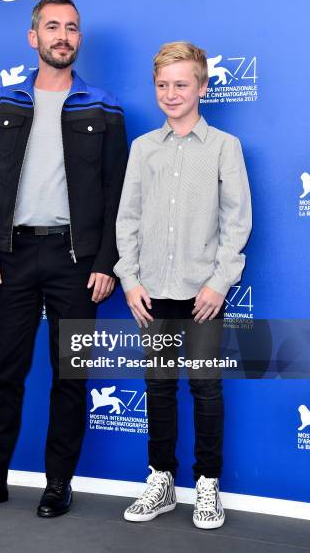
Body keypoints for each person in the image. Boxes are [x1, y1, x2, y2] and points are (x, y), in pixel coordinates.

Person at [0, 0, 128, 517]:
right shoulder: (1, 104)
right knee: (4, 372)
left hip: (77, 259)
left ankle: (57, 483)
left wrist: (104, 262)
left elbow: (118, 195)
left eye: (71, 27)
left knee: (70, 376)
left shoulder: (105, 107)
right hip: (14, 254)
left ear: (79, 38)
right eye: (52, 27)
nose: (62, 36)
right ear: (34, 38)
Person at [114, 41, 252, 529]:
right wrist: (129, 280)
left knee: (206, 388)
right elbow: (127, 217)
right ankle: (162, 481)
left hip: (202, 296)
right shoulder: (143, 148)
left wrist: (218, 283)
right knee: (158, 389)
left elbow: (237, 223)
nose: (172, 93)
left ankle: (207, 486)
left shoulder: (224, 148)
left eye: (182, 84)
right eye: (163, 85)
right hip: (152, 293)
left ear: (202, 87)